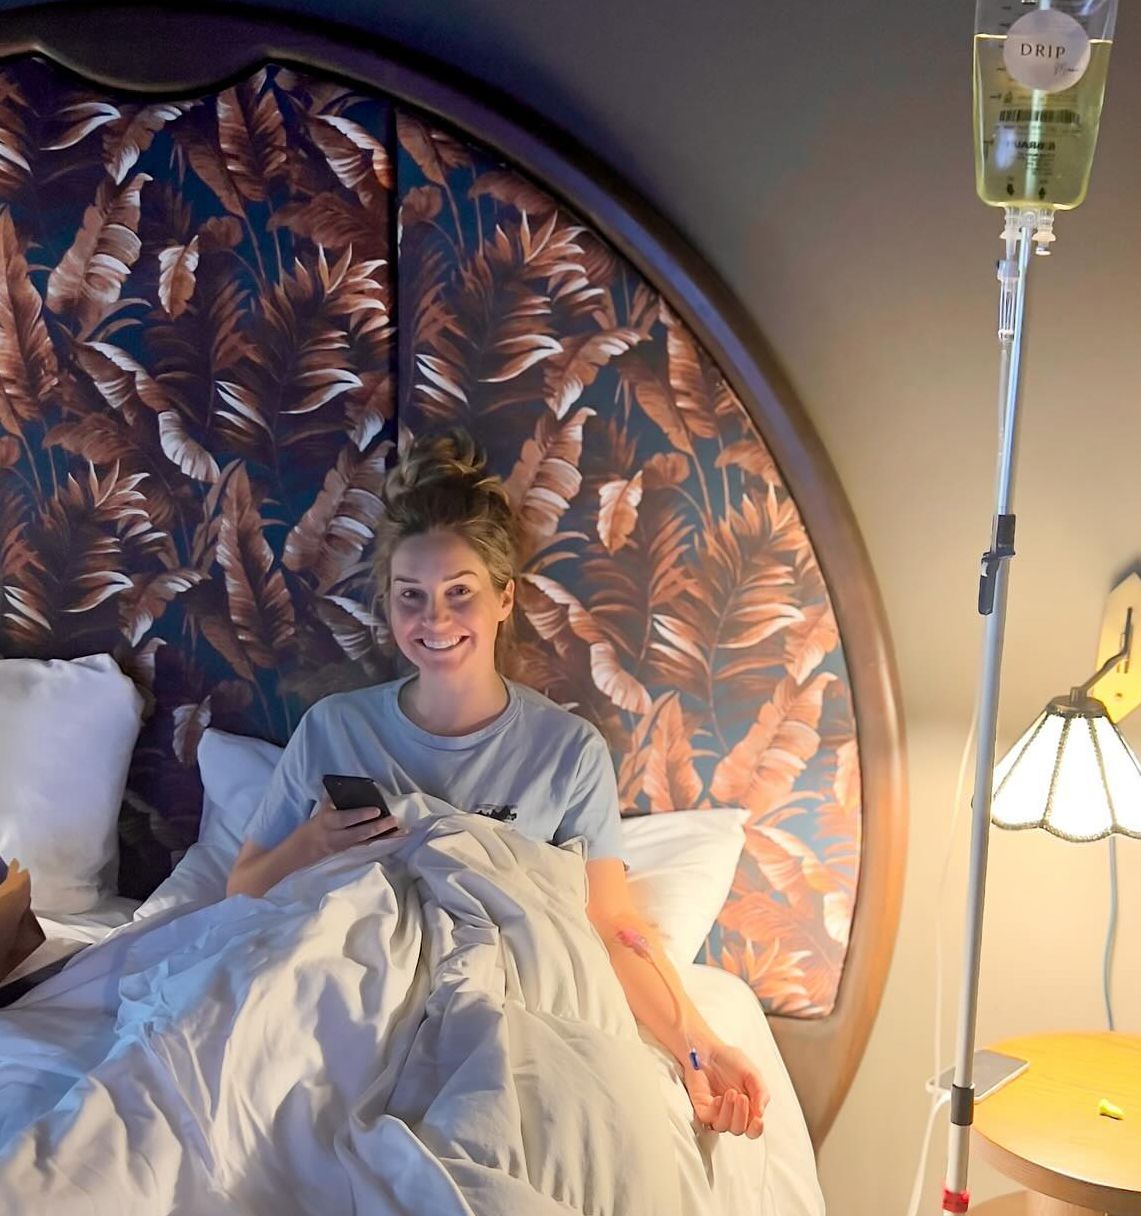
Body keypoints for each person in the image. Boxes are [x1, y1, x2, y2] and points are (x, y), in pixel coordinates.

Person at [228, 434, 767, 1139]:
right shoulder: (335, 729)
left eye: (460, 594)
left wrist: (700, 1045)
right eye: (411, 597)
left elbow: (613, 925)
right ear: (388, 607)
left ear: (504, 599)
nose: (436, 621)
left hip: (491, 1002)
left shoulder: (566, 753)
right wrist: (309, 843)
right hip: (343, 991)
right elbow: (242, 891)